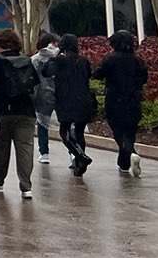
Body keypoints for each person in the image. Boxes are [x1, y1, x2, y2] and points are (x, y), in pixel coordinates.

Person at [0, 30, 41, 200]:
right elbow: (35, 87)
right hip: (27, 111)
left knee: (1, 145)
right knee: (25, 148)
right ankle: (26, 187)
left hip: (3, 111)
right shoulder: (27, 61)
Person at [95, 28, 150, 177]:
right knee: (130, 131)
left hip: (115, 99)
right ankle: (124, 164)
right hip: (134, 100)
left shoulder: (110, 59)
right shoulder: (138, 61)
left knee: (118, 130)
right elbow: (144, 78)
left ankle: (131, 153)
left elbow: (98, 74)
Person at [53, 34, 97, 175]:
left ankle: (81, 157)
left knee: (64, 133)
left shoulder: (60, 61)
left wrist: (54, 56)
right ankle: (79, 163)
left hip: (66, 100)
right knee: (79, 132)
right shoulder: (83, 61)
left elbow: (46, 71)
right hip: (83, 99)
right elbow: (89, 75)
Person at [30, 33, 60, 165]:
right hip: (60, 95)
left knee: (42, 125)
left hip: (42, 95)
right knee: (68, 125)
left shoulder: (34, 60)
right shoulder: (61, 58)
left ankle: (44, 153)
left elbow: (31, 80)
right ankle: (73, 153)